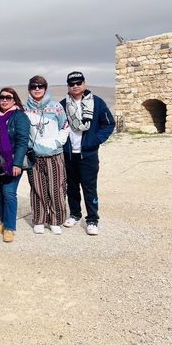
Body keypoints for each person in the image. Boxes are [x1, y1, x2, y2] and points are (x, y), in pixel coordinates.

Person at [60, 71, 116, 235]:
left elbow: (108, 124)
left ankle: (92, 219)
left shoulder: (97, 103)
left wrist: (96, 140)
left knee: (89, 187)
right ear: (68, 86)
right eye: (72, 84)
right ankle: (75, 214)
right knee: (71, 187)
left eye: (78, 83)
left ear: (84, 84)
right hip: (68, 154)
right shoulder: (62, 105)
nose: (75, 86)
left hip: (88, 154)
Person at [24, 76, 70, 235]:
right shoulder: (25, 110)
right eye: (34, 86)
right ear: (29, 88)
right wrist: (30, 147)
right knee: (37, 188)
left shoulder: (56, 107)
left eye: (40, 86)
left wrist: (57, 143)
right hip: (34, 156)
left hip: (54, 154)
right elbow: (23, 132)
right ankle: (39, 219)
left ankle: (56, 220)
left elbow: (65, 127)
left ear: (45, 87)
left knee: (56, 188)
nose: (37, 89)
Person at [0, 87, 30, 243]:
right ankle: (3, 221)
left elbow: (22, 142)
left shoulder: (19, 117)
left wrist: (17, 163)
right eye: (2, 97)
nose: (4, 100)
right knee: (0, 192)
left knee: (8, 193)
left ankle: (9, 227)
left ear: (14, 100)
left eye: (8, 97)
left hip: (13, 162)